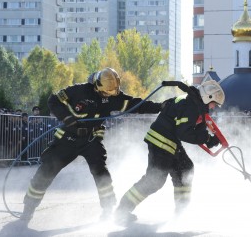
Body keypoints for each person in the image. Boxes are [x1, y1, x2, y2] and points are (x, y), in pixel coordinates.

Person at [20, 68, 163, 223]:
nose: (109, 95)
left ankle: (109, 210)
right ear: (97, 85)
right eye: (106, 92)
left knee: (101, 174)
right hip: (67, 139)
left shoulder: (114, 95)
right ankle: (28, 209)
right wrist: (67, 118)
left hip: (91, 140)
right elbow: (53, 100)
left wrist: (161, 107)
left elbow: (137, 105)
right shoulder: (79, 90)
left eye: (112, 92)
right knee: (46, 171)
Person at [114, 80, 225, 225]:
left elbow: (192, 127)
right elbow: (184, 133)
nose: (214, 107)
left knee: (185, 169)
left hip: (170, 142)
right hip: (161, 142)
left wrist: (208, 137)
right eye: (214, 104)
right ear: (208, 97)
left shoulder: (193, 103)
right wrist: (207, 138)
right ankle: (122, 212)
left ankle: (181, 212)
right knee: (154, 181)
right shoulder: (191, 106)